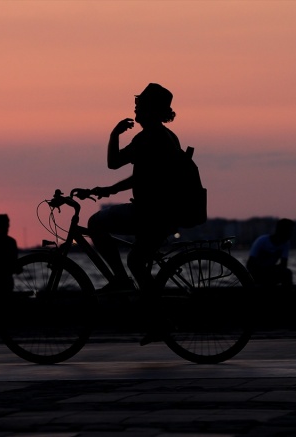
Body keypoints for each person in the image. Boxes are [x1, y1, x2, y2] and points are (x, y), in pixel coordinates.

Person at [78, 83, 186, 345]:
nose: (135, 108)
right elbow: (142, 176)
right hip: (163, 212)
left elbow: (113, 162)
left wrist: (114, 133)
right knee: (138, 262)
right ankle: (160, 322)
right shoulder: (167, 136)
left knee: (95, 223)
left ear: (151, 109)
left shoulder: (149, 137)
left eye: (140, 104)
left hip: (150, 213)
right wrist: (108, 190)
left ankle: (118, 280)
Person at [246, 218, 295, 288]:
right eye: (290, 231)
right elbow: (250, 264)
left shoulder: (286, 243)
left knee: (287, 273)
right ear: (282, 231)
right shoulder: (261, 241)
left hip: (270, 271)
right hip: (256, 273)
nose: (291, 234)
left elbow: (284, 265)